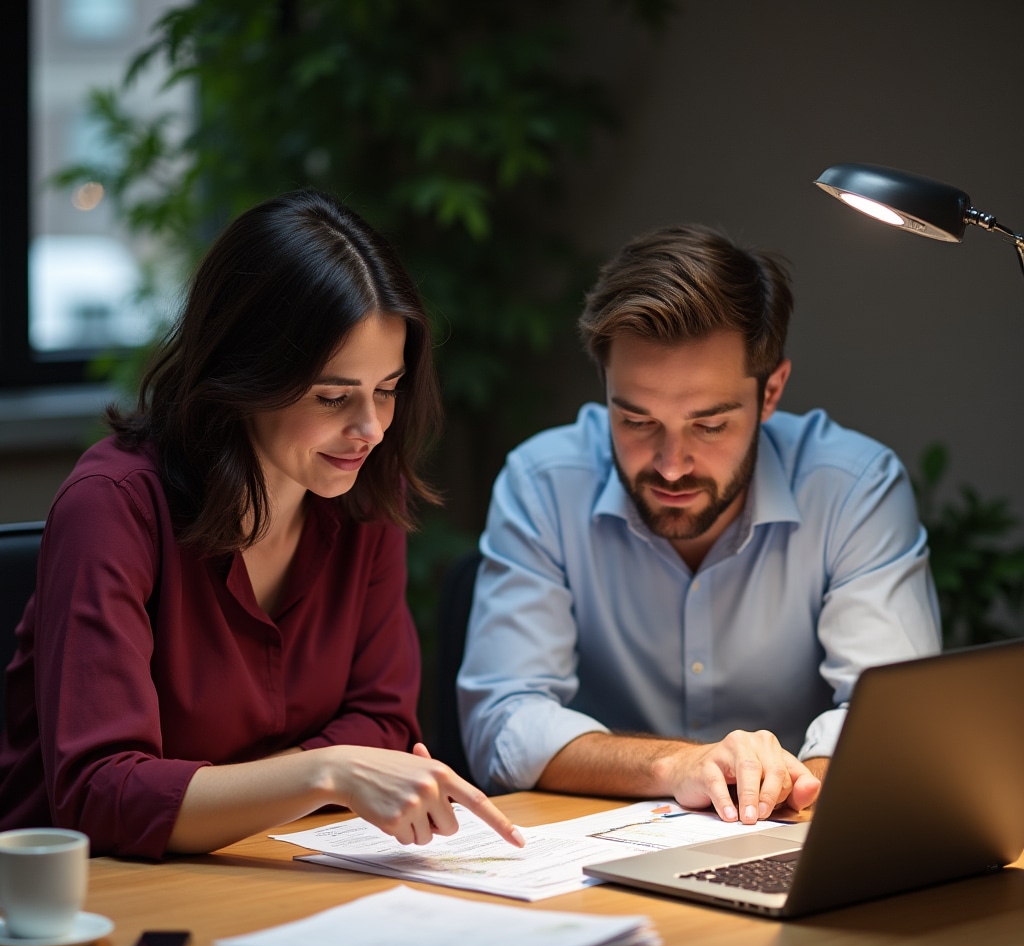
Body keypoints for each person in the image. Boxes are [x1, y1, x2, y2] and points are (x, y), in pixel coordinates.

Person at [0, 189, 523, 858]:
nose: (370, 430)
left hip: (281, 863)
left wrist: (275, 788)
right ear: (247, 376)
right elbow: (102, 794)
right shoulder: (113, 506)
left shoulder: (362, 492)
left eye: (387, 389)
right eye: (334, 397)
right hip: (91, 901)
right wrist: (326, 771)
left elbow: (384, 722)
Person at [458, 223, 941, 825]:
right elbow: (504, 721)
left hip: (788, 838)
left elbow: (891, 716)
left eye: (709, 425)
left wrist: (788, 789)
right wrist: (679, 766)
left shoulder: (854, 489)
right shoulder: (543, 483)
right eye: (636, 420)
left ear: (770, 393)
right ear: (605, 388)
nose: (670, 464)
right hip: (596, 860)